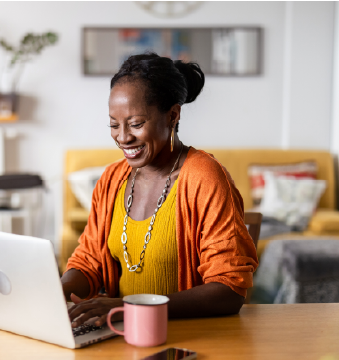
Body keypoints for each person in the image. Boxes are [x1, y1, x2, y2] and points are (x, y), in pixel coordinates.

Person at [62, 52, 258, 328]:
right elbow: (88, 262)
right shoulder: (111, 179)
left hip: (188, 336)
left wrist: (130, 308)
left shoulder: (205, 178)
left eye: (136, 124)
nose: (123, 137)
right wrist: (56, 291)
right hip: (122, 335)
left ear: (172, 116)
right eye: (114, 124)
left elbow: (229, 290)